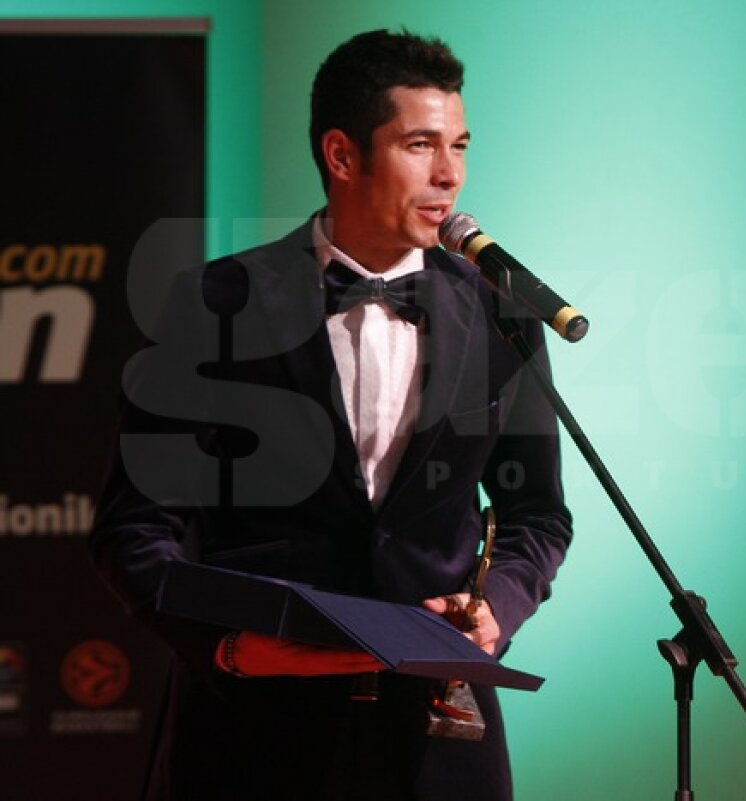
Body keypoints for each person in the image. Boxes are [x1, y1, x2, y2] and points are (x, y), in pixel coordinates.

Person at [90, 28, 572, 801]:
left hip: (439, 742)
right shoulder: (214, 305)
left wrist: (497, 610)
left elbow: (538, 514)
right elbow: (131, 530)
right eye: (420, 144)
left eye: (459, 145)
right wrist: (232, 648)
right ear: (343, 156)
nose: (449, 173)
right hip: (251, 740)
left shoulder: (501, 312)